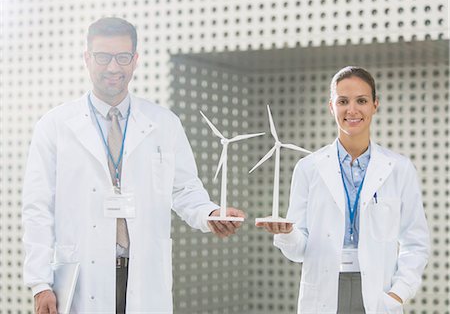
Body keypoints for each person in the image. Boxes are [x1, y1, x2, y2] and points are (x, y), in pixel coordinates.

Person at [22, 17, 245, 314]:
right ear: (87, 59)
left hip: (144, 274)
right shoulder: (55, 125)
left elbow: (185, 190)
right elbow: (37, 209)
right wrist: (40, 283)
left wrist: (210, 214)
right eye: (102, 57)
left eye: (122, 57)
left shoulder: (164, 123)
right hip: (81, 275)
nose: (113, 67)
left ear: (135, 60)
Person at [256, 66, 429, 313]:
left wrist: (397, 294)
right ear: (331, 107)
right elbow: (299, 251)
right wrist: (286, 233)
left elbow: (416, 242)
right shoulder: (308, 168)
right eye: (343, 101)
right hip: (324, 289)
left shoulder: (399, 168)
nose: (352, 110)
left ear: (375, 105)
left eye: (361, 100)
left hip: (378, 292)